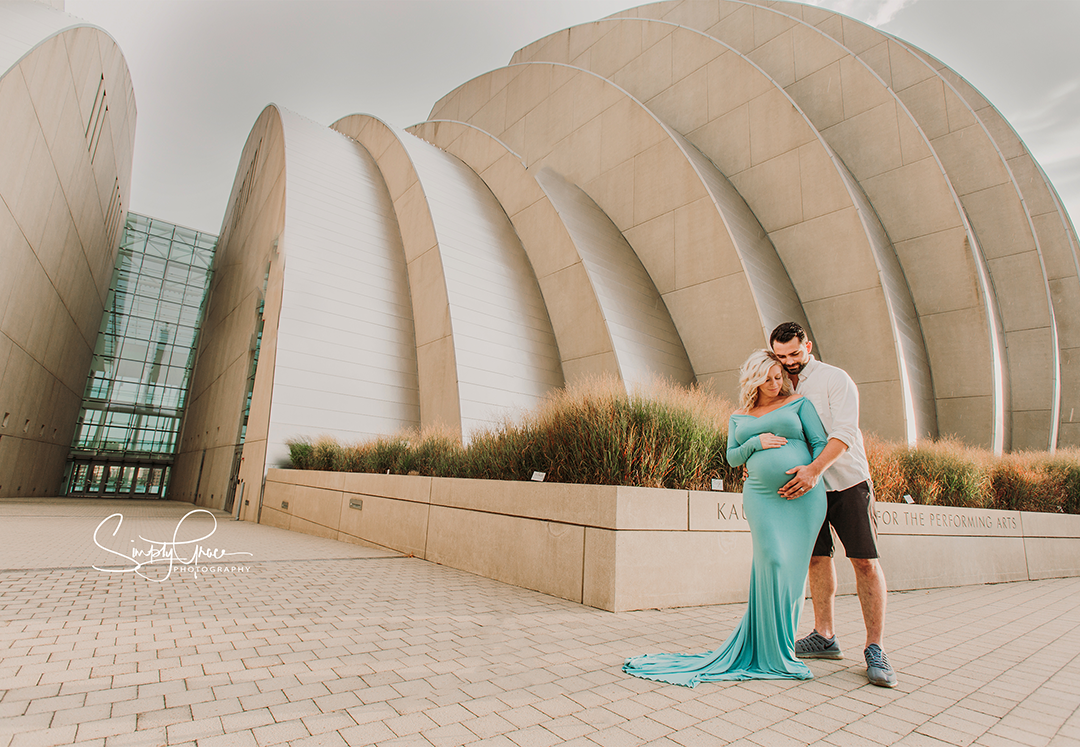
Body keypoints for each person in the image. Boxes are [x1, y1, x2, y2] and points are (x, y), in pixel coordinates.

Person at [623, 350, 828, 687]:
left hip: (804, 497)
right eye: (769, 377)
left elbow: (820, 443)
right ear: (755, 379)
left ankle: (781, 649)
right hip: (762, 498)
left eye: (780, 376)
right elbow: (733, 458)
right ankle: (767, 651)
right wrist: (756, 443)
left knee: (792, 572)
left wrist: (811, 474)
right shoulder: (740, 416)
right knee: (773, 562)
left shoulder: (800, 404)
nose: (777, 383)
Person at [769, 321, 897, 688]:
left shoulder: (835, 379)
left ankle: (875, 647)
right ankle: (824, 636)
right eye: (781, 356)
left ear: (807, 345)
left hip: (847, 482)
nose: (789, 362)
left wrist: (813, 470)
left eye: (794, 353)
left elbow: (843, 433)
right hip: (807, 488)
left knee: (865, 562)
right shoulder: (776, 382)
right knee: (816, 558)